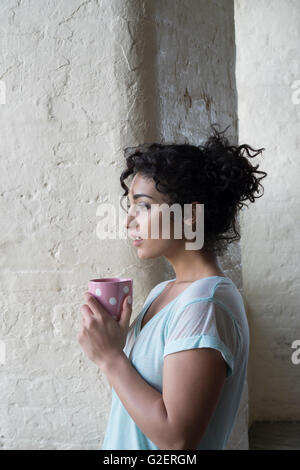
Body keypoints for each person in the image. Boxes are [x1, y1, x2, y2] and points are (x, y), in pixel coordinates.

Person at [99, 124, 267, 450]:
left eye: (144, 205)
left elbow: (177, 440)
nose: (128, 220)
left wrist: (109, 358)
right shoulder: (163, 291)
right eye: (129, 205)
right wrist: (115, 344)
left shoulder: (205, 306)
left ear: (190, 216)